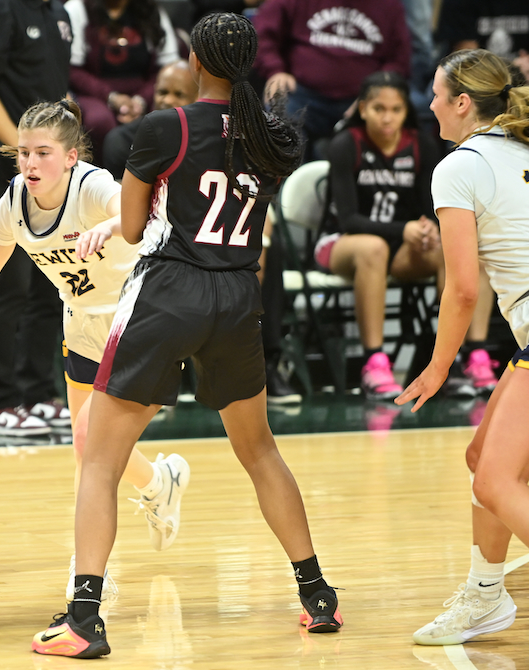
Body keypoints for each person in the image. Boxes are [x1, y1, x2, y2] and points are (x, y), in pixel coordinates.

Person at [32, 14, 342, 659]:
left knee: (100, 458)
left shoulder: (165, 126)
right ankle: (318, 595)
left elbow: (132, 225)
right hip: (238, 293)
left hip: (170, 291)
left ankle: (84, 619)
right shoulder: (271, 134)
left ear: (196, 60)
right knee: (260, 451)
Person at [0, 99, 191, 593]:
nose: (30, 163)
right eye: (24, 153)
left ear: (71, 157)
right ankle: (158, 483)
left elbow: (144, 216)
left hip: (139, 314)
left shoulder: (92, 186)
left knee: (88, 437)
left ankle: (86, 570)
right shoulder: (13, 202)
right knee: (85, 451)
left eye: (43, 153)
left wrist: (108, 225)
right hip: (82, 324)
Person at [397, 48, 529, 646]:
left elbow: (463, 289)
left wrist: (437, 367)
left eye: (435, 94)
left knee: (496, 483)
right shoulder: (521, 148)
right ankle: (485, 595)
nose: (428, 106)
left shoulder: (459, 166)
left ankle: (483, 596)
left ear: (463, 103)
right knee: (484, 461)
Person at [317, 70, 498, 400]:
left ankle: (469, 356)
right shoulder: (345, 144)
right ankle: (374, 363)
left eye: (396, 109)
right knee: (372, 248)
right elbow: (348, 220)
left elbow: (432, 207)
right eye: (378, 109)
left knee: (462, 251)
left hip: (401, 247)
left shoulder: (420, 145)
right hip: (341, 242)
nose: (387, 118)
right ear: (363, 109)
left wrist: (428, 228)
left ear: (406, 111)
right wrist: (404, 229)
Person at [0, 0, 75, 435]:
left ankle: (38, 392)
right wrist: (27, 153)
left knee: (51, 282)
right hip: (2, 169)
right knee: (8, 287)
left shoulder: (58, 13)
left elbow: (56, 93)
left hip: (50, 174)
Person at [254, 0, 411, 160]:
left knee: (394, 113)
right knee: (280, 109)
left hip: (360, 100)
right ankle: (287, 176)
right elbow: (261, 34)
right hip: (301, 93)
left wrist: (375, 93)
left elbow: (400, 59)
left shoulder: (390, 5)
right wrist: (275, 71)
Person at [64, 0, 179, 165]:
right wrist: (111, 97)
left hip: (145, 91)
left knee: (165, 115)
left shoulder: (152, 10)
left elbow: (168, 66)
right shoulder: (78, 8)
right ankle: (100, 175)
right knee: (99, 120)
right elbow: (72, 70)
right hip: (93, 92)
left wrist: (140, 100)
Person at [103, 59, 198, 180]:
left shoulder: (204, 141)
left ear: (197, 97)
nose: (167, 100)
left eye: (179, 95)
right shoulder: (121, 141)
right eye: (162, 92)